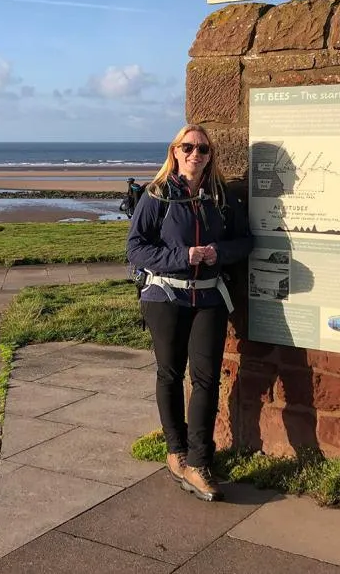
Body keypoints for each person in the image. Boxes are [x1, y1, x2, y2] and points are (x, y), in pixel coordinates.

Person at [126, 123, 253, 502]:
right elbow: (136, 248)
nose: (195, 154)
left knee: (207, 379)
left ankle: (199, 462)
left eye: (203, 149)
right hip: (165, 298)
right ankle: (175, 450)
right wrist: (183, 257)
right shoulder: (157, 196)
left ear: (210, 156)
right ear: (175, 152)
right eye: (188, 147)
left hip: (209, 299)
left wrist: (219, 252)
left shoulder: (222, 198)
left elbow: (246, 241)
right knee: (169, 373)